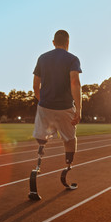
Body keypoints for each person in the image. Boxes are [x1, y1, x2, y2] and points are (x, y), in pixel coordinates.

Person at [32, 30, 82, 167]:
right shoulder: (72, 59)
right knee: (70, 139)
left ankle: (41, 150)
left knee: (41, 135)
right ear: (68, 42)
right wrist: (79, 109)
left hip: (44, 105)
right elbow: (75, 83)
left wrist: (41, 101)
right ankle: (68, 166)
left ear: (53, 43)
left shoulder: (42, 58)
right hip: (64, 107)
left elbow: (36, 85)